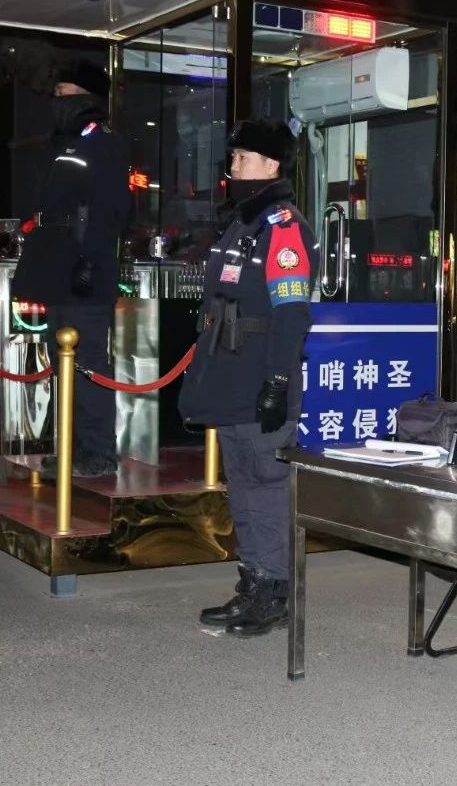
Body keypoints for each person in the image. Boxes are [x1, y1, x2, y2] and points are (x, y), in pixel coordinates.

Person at [178, 118, 317, 638]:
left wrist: (278, 382)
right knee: (243, 488)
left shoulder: (283, 228)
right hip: (232, 379)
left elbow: (291, 315)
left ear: (270, 164)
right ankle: (255, 581)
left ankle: (275, 592)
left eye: (242, 157)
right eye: (233, 156)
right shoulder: (242, 224)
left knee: (268, 488)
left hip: (262, 380)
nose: (232, 165)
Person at [12, 61, 129, 478]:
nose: (55, 100)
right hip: (57, 268)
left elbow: (112, 211)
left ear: (85, 96)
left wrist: (90, 261)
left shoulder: (104, 144)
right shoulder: (64, 145)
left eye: (63, 92)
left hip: (84, 272)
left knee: (88, 362)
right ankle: (73, 448)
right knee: (64, 362)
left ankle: (98, 451)